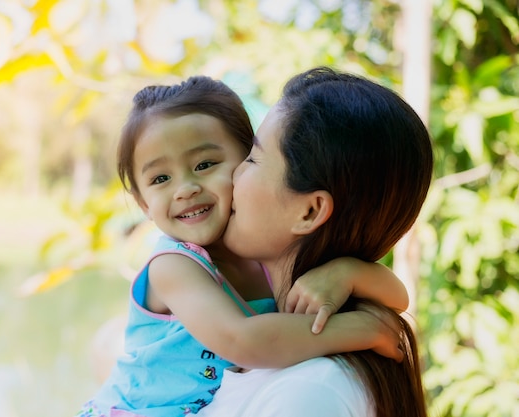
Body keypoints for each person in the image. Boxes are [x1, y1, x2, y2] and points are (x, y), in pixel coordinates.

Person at [76, 75, 410, 417]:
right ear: (143, 203)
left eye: (205, 165)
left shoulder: (266, 256)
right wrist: (359, 330)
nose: (185, 189)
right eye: (161, 179)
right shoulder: (174, 265)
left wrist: (347, 273)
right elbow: (242, 340)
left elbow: (399, 298)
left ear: (242, 163)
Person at [196, 67, 433, 417]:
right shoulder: (287, 355)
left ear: (309, 211)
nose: (233, 173)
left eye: (253, 158)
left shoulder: (308, 393)